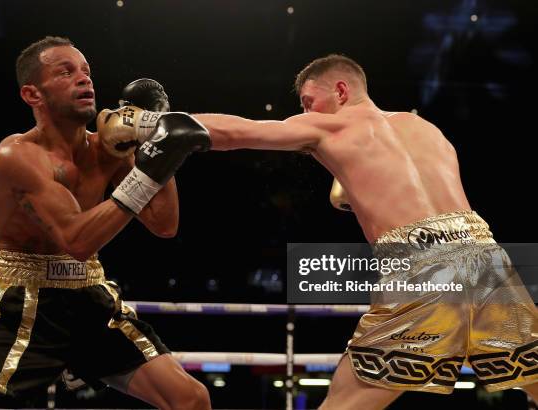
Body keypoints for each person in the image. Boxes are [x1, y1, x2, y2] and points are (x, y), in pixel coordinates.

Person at [113, 54, 538, 409]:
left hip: (419, 266)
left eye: (307, 101)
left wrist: (147, 121)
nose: (303, 114)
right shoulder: (426, 129)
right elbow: (417, 194)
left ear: (340, 91)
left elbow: (236, 132)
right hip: (487, 257)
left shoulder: (331, 126)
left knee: (343, 404)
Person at [0, 36, 211, 410]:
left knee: (191, 399)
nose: (85, 79)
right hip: (25, 299)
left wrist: (154, 148)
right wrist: (153, 169)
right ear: (33, 95)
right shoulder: (16, 155)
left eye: (86, 71)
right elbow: (76, 239)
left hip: (90, 295)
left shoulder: (107, 149)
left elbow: (165, 224)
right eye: (66, 72)